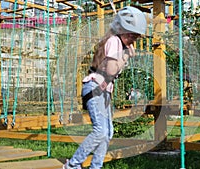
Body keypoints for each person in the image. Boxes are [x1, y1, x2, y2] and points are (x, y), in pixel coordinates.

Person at [63, 6, 147, 169]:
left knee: (107, 133)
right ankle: (72, 165)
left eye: (135, 37)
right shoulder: (113, 41)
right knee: (100, 131)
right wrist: (125, 56)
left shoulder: (120, 43)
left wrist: (127, 52)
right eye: (131, 35)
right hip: (95, 87)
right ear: (122, 30)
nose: (133, 40)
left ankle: (96, 166)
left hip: (104, 91)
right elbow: (110, 70)